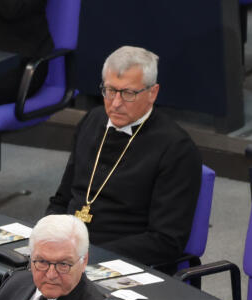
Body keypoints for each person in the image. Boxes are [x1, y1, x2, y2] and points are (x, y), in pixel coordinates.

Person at [46, 46, 202, 270]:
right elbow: (62, 199)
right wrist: (46, 234)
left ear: (152, 93)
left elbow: (165, 241)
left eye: (128, 93)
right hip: (69, 252)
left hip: (125, 263)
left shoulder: (176, 149)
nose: (116, 103)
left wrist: (89, 255)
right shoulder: (92, 120)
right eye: (110, 90)